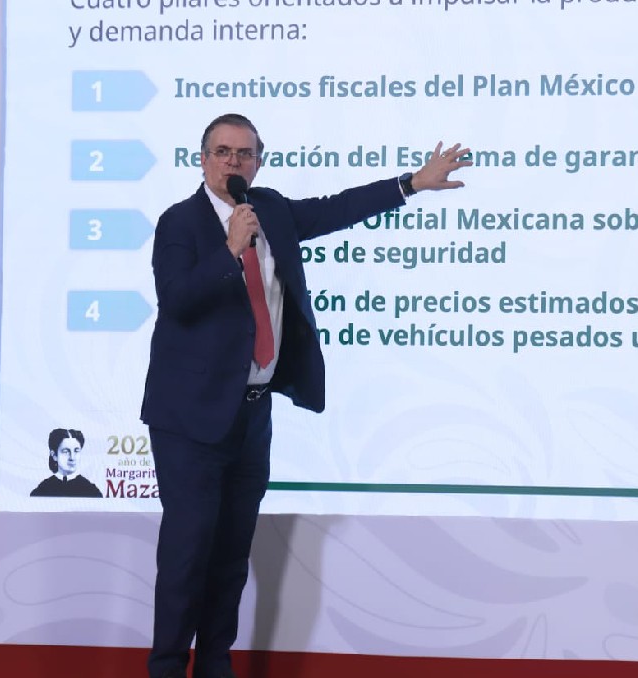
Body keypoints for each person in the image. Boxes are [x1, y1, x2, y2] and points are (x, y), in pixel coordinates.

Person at [140, 113, 470, 678]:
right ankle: (167, 668)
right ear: (203, 159)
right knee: (187, 554)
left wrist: (412, 183)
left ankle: (215, 666)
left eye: (244, 153)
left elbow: (337, 209)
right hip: (189, 421)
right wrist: (228, 249)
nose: (233, 162)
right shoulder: (180, 221)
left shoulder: (269, 209)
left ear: (258, 161)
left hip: (251, 415)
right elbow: (177, 300)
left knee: (231, 556)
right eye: (222, 152)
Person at [29, 428, 102, 498]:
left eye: (76, 451)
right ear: (54, 455)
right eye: (66, 451)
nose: (72, 457)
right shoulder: (42, 490)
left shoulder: (92, 491)